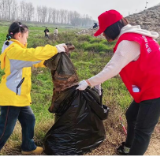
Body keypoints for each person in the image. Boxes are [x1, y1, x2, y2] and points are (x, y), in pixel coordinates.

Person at [76, 10, 160, 156]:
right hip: (149, 86)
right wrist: (98, 80)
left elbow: (113, 68)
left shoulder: (128, 41)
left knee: (143, 131)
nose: (103, 35)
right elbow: (114, 62)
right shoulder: (137, 36)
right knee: (132, 116)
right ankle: (128, 148)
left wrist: (88, 82)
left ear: (112, 27)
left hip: (155, 90)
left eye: (104, 31)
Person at [0, 22, 68, 155]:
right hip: (12, 97)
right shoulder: (14, 50)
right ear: (19, 35)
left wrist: (48, 62)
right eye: (26, 36)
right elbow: (32, 55)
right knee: (5, 129)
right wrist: (55, 49)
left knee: (29, 119)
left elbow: (31, 60)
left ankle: (28, 147)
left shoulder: (17, 49)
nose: (27, 39)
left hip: (19, 96)